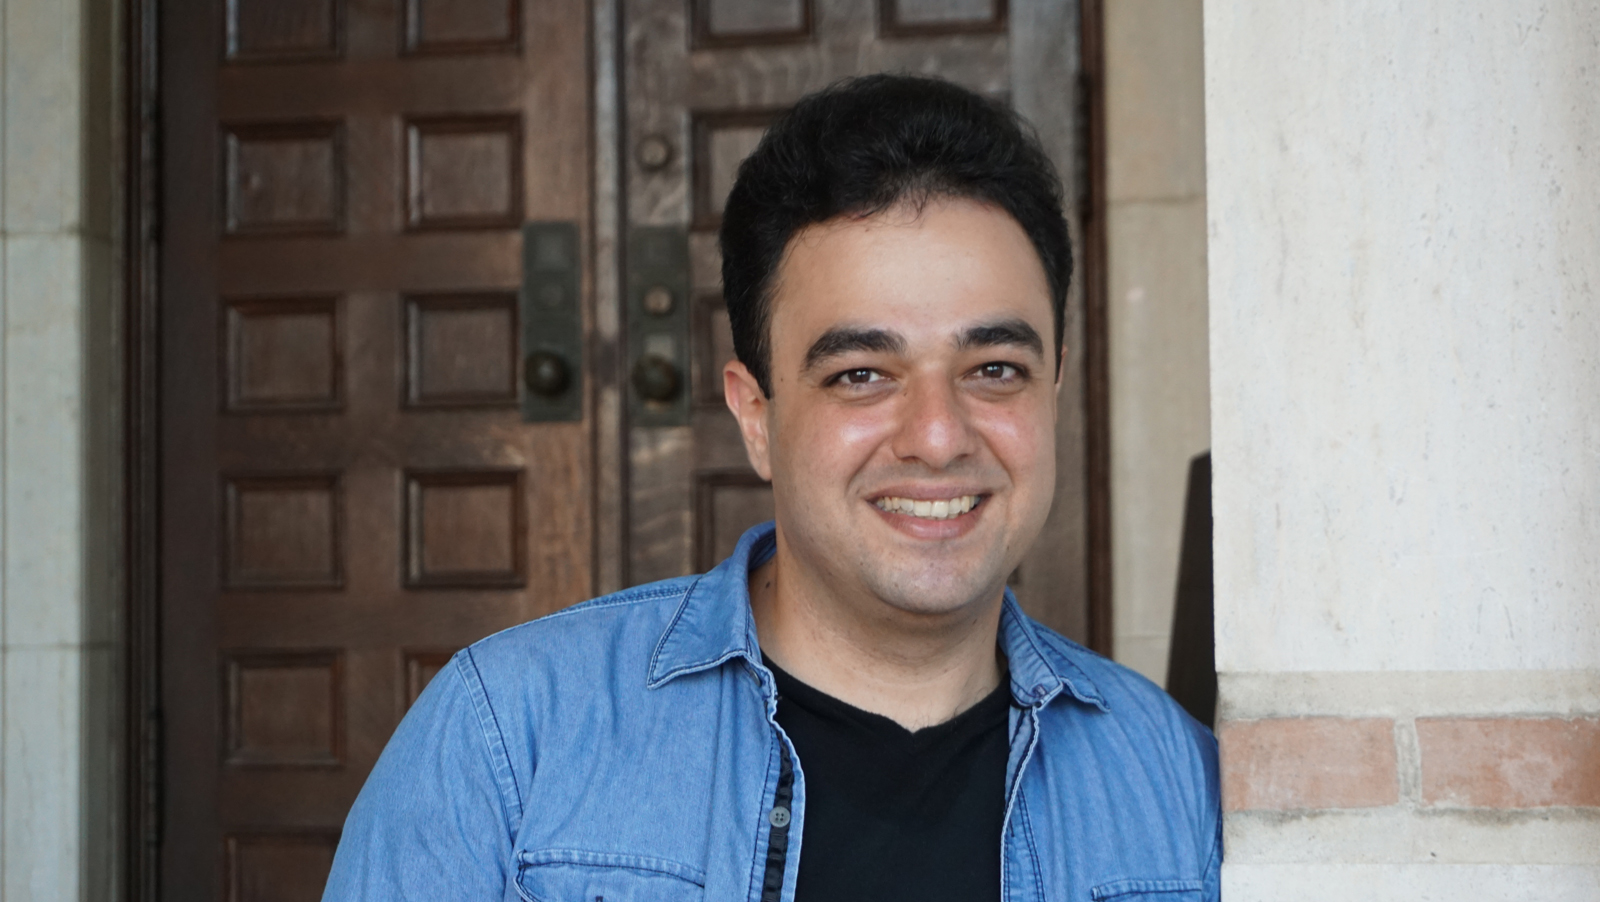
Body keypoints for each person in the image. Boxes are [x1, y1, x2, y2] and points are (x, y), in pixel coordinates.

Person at [323, 74, 1220, 902]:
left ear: (1054, 387)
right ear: (756, 415)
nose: (940, 435)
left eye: (994, 367)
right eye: (862, 374)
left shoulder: (1176, 781)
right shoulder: (510, 739)